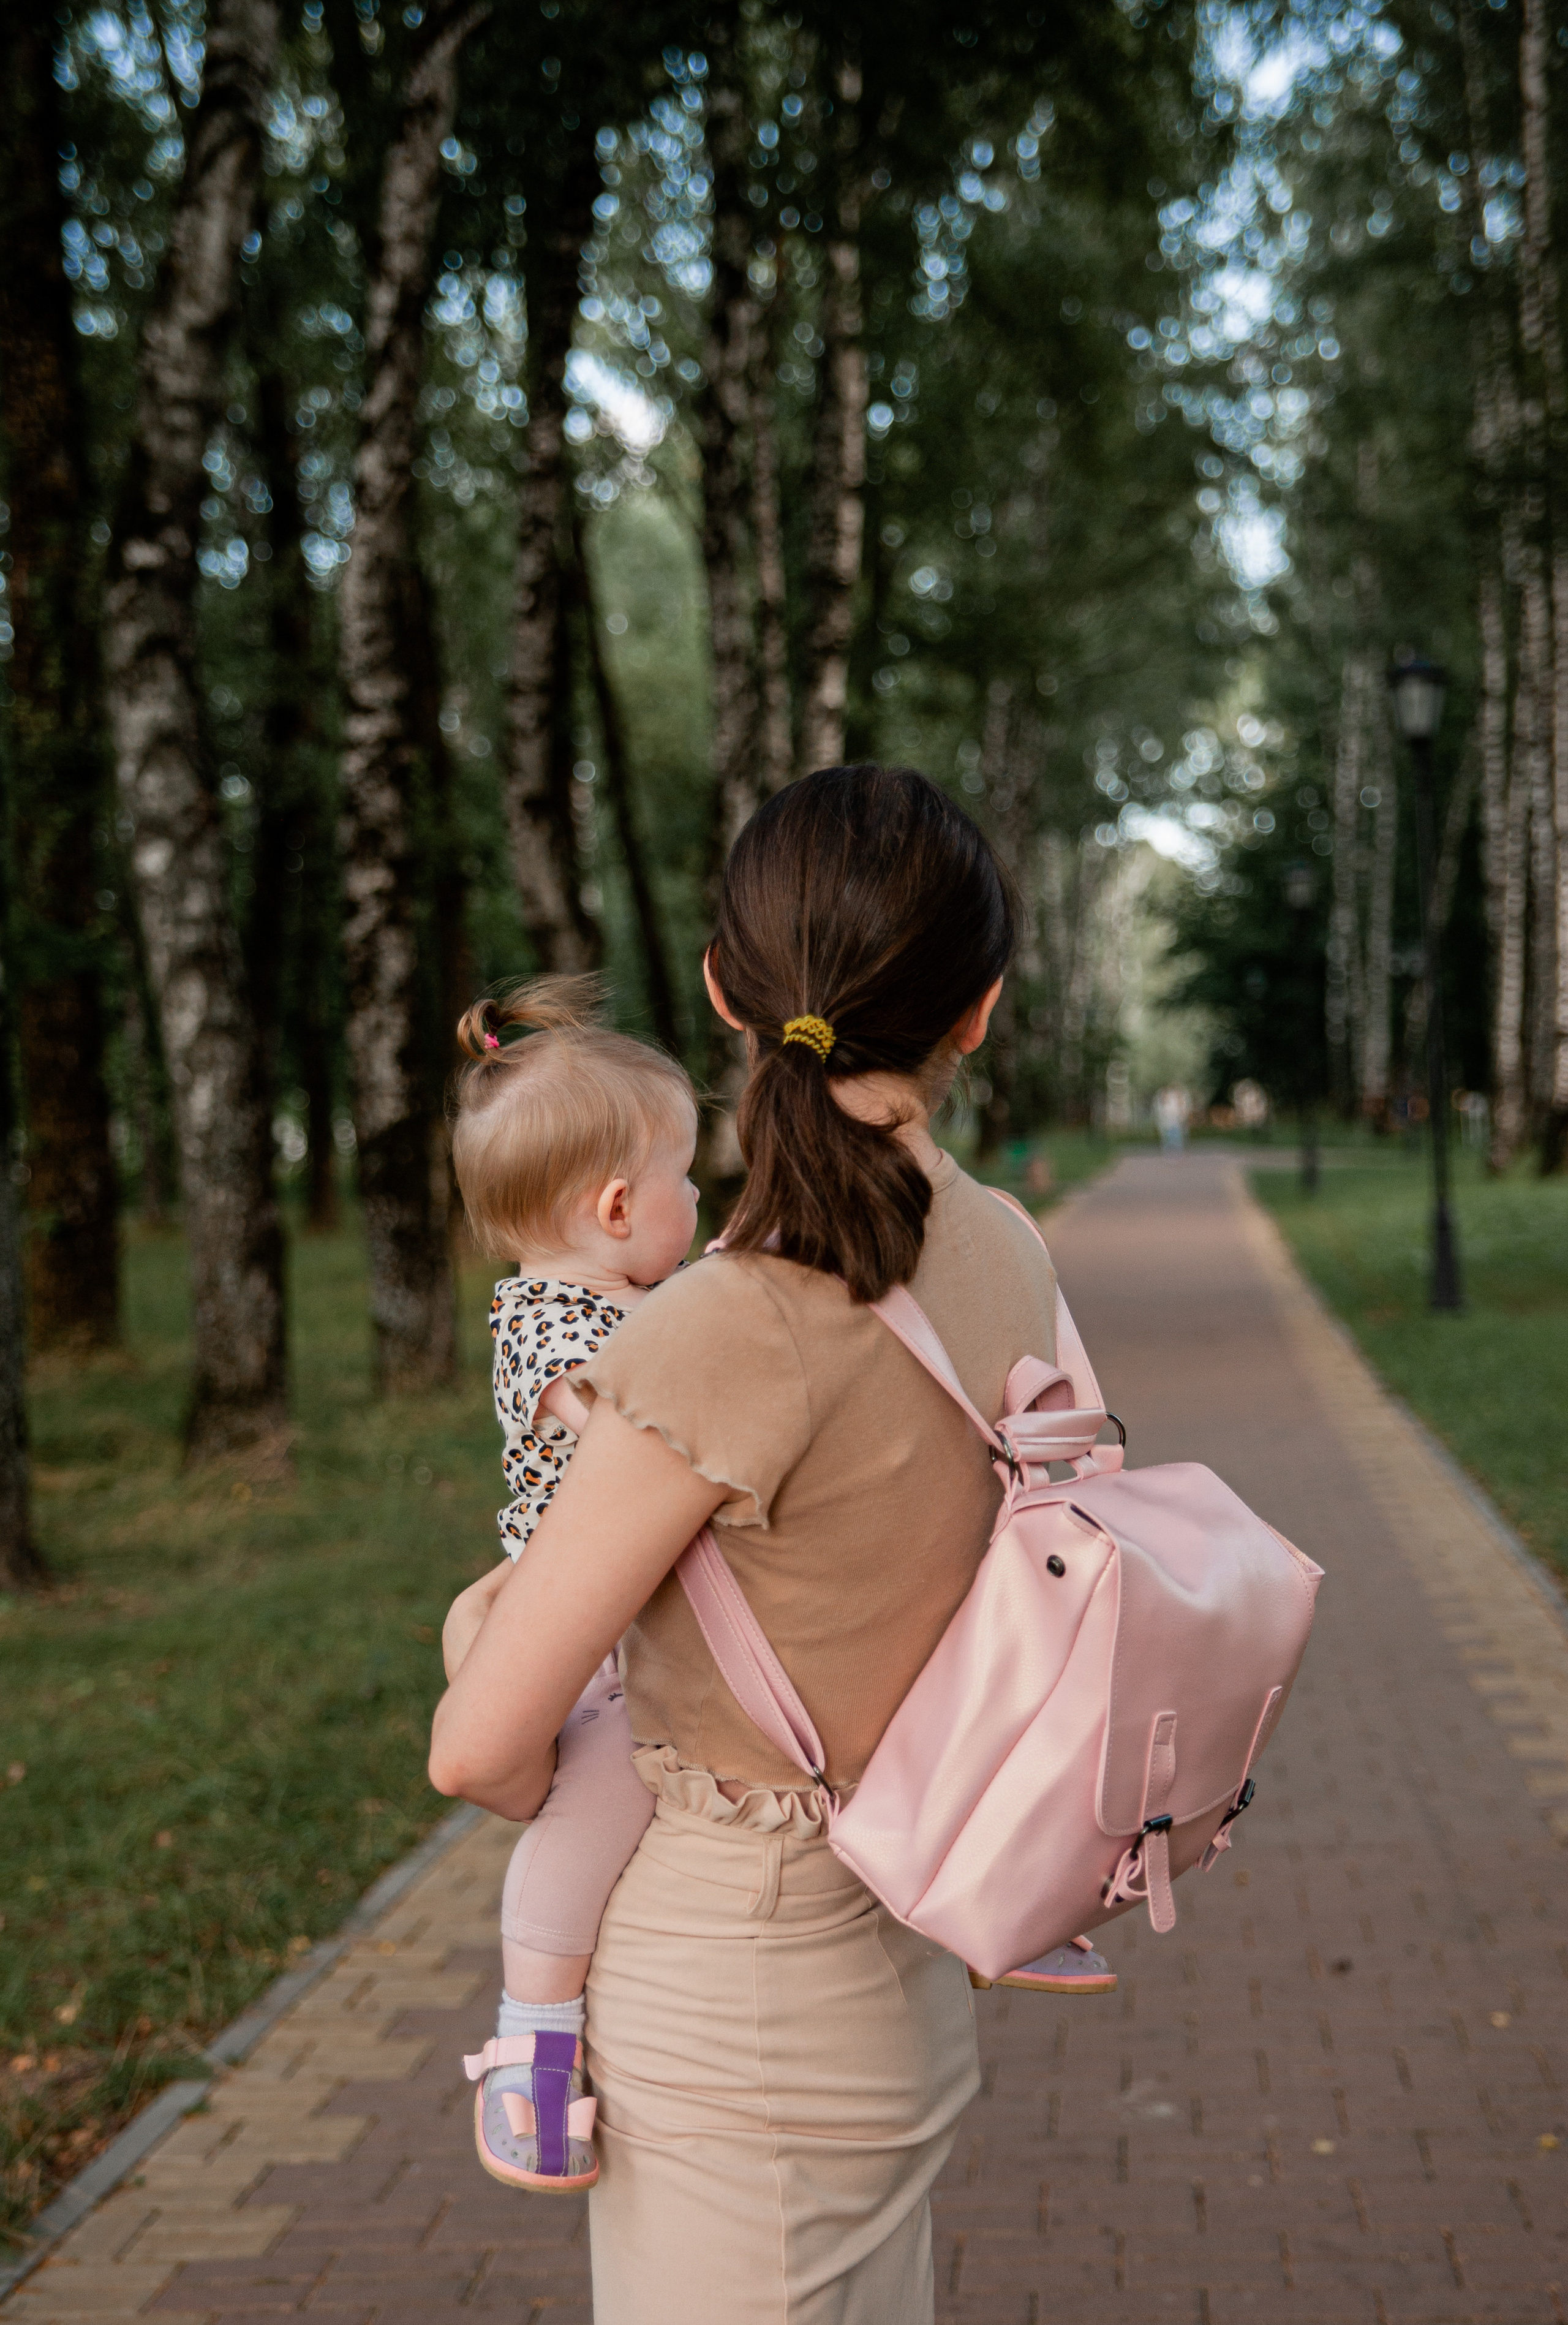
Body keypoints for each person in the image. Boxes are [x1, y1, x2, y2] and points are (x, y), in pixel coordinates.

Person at [431, 765, 1110, 2323]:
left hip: (736, 2015)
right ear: (979, 1012)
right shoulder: (1000, 1243)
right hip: (904, 1960)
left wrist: (488, 1624)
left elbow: (480, 1750)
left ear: (726, 988)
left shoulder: (721, 1326)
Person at [443, 978, 701, 2191]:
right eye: (686, 1182)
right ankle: (531, 2050)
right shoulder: (554, 1324)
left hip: (624, 1612)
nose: (699, 1203)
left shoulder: (628, 1298)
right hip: (587, 1637)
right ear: (613, 1204)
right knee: (587, 1814)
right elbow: (636, 1418)